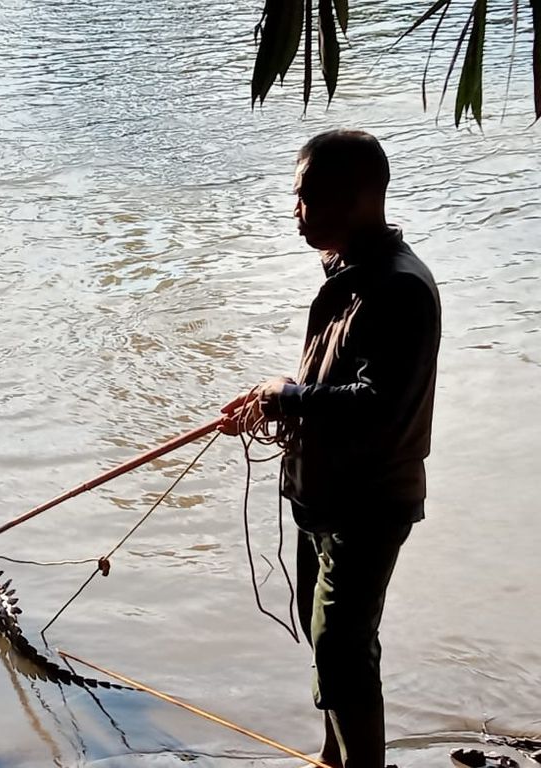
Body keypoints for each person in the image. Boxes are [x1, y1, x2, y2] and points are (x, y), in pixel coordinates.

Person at [220, 130, 441, 768]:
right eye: (298, 197)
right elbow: (335, 381)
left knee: (344, 645)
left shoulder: (398, 289)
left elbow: (376, 402)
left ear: (360, 198)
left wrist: (286, 398)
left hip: (368, 501)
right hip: (323, 492)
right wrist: (271, 400)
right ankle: (332, 757)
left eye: (308, 198)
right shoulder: (348, 271)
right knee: (327, 639)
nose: (297, 211)